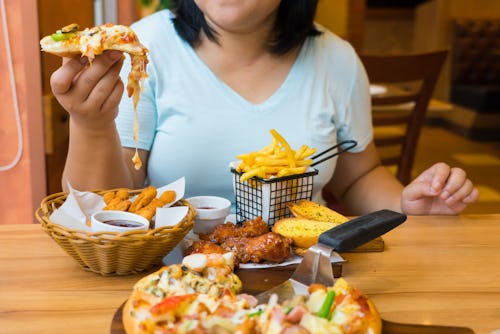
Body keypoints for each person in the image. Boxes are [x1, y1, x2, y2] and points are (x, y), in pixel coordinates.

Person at [50, 0, 478, 216]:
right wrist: (90, 126)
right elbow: (108, 209)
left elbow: (358, 177)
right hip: (170, 287)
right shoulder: (141, 51)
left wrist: (407, 203)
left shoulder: (337, 59)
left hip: (306, 284)